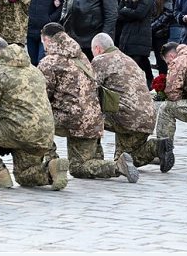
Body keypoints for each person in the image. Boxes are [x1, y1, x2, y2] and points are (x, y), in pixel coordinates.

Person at [37, 23, 139, 183]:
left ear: (47, 40)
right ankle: (117, 166)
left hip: (70, 119)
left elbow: (41, 97)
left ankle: (52, 162)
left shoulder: (49, 62)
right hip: (94, 119)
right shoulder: (82, 57)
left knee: (35, 119)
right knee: (83, 164)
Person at [0, 38, 69, 190]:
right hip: (44, 133)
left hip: (17, 131)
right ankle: (51, 168)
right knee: (24, 176)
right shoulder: (34, 70)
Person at [90, 33, 174, 172]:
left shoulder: (100, 61)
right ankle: (157, 148)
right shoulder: (128, 59)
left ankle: (93, 157)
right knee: (126, 157)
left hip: (127, 119)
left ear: (98, 49)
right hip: (147, 116)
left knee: (88, 116)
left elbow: (89, 90)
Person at [117, 0, 155, 88]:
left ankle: (147, 82)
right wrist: (129, 13)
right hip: (127, 34)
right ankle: (148, 82)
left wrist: (126, 11)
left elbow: (140, 13)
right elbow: (119, 12)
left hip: (140, 35)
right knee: (138, 62)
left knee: (138, 61)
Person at [26, 0, 65, 65]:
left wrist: (49, 20)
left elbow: (61, 8)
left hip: (47, 32)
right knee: (32, 62)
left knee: (42, 61)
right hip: (31, 30)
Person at [147, 0, 174, 75]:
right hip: (146, 30)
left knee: (161, 61)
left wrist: (153, 26)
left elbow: (168, 12)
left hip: (160, 32)